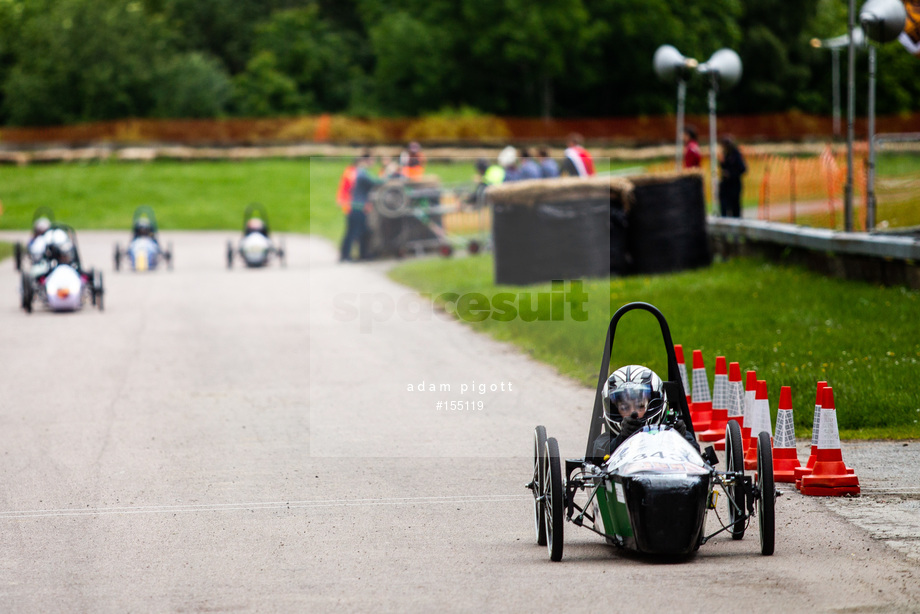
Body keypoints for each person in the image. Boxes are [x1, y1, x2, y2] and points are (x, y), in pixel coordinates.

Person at [591, 365, 698, 465]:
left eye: (640, 406)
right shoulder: (606, 440)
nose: (633, 412)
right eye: (625, 408)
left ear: (655, 403)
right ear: (615, 410)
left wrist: (680, 438)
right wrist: (623, 438)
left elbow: (697, 458)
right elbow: (598, 455)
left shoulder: (668, 430)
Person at [340, 156, 383, 262]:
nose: (373, 163)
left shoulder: (357, 173)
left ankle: (363, 254)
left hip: (357, 207)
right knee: (353, 232)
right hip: (357, 207)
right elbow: (376, 182)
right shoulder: (361, 173)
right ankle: (346, 256)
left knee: (362, 231)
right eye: (372, 160)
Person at [718, 135, 747, 218]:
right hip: (726, 185)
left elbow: (742, 169)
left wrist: (730, 174)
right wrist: (722, 162)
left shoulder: (736, 154)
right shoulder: (725, 155)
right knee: (724, 205)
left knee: (735, 207)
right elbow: (724, 168)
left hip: (734, 185)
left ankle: (736, 223)